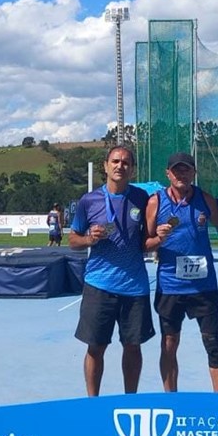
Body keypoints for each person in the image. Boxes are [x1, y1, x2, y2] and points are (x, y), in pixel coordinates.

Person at [68, 146, 154, 396]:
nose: (120, 166)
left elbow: (146, 239)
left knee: (133, 346)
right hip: (99, 285)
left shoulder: (142, 198)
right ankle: (93, 402)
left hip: (135, 287)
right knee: (96, 347)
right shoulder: (89, 200)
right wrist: (88, 240)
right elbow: (72, 241)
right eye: (115, 161)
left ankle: (131, 400)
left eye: (126, 163)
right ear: (105, 166)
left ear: (132, 169)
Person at [144, 152, 218, 393]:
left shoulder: (205, 199)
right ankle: (171, 398)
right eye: (177, 170)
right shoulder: (156, 202)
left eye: (187, 169)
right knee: (169, 344)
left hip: (203, 286)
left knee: (213, 343)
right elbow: (144, 244)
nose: (182, 174)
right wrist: (158, 239)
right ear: (168, 174)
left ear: (194, 173)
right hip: (171, 286)